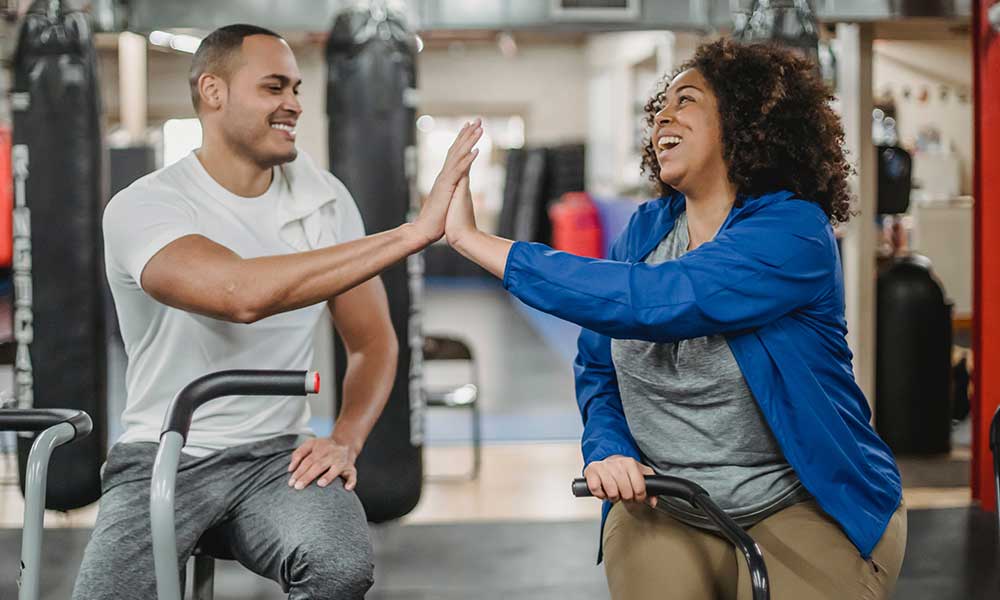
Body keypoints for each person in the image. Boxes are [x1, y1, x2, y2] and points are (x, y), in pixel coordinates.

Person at [444, 38, 905, 599]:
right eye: (660, 104)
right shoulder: (644, 231)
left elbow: (659, 300)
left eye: (685, 100)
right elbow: (598, 366)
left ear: (743, 123)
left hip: (804, 499)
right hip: (668, 501)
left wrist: (475, 243)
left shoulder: (793, 233)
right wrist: (608, 446)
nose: (662, 113)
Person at [72, 24, 481, 600]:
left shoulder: (323, 198)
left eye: (295, 88)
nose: (292, 103)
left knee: (339, 565)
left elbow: (374, 342)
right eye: (272, 88)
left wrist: (346, 438)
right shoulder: (147, 206)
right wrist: (414, 233)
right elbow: (241, 295)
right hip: (164, 450)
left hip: (278, 458)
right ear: (213, 92)